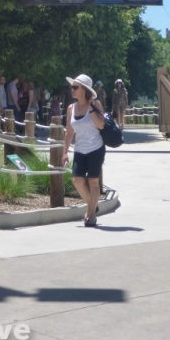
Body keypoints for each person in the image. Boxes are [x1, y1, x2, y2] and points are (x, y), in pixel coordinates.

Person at [63, 74, 105, 227]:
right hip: (80, 149)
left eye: (75, 87)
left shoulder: (95, 104)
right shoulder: (71, 108)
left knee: (93, 181)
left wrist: (92, 109)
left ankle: (91, 215)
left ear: (84, 90)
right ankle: (92, 204)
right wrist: (65, 152)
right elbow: (69, 132)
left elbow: (101, 125)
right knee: (77, 180)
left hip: (96, 148)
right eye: (72, 87)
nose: (72, 90)